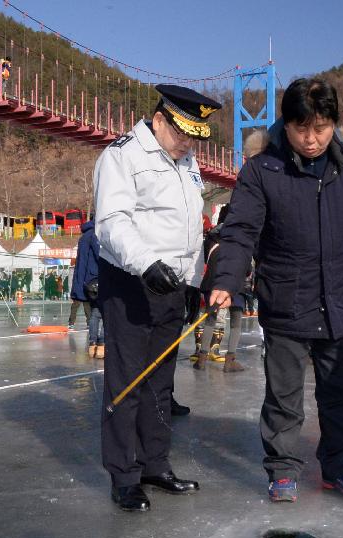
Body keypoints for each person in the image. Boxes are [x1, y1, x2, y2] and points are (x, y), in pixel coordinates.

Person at [209, 78, 343, 503]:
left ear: (334, 124)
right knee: (284, 393)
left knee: (341, 392)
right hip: (286, 298)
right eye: (301, 128)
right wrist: (226, 280)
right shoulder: (261, 169)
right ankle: (283, 469)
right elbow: (240, 232)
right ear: (285, 125)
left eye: (322, 128)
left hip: (341, 300)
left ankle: (339, 466)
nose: (312, 139)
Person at [93, 84, 221, 512]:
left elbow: (189, 232)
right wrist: (147, 263)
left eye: (195, 137)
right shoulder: (122, 156)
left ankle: (155, 464)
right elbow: (111, 222)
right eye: (182, 134)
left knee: (161, 382)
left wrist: (194, 282)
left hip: (173, 286)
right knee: (127, 381)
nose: (188, 144)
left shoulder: (187, 163)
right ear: (161, 120)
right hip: (132, 282)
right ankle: (124, 474)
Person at [194, 204, 245, 372]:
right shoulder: (239, 236)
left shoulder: (211, 237)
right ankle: (229, 361)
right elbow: (246, 266)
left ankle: (202, 358)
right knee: (236, 322)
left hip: (211, 282)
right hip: (234, 282)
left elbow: (205, 261)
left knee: (210, 320)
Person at [71, 220, 101, 358]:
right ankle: (102, 343)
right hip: (97, 278)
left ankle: (92, 342)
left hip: (86, 281)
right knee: (105, 310)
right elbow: (100, 255)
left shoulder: (84, 236)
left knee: (95, 311)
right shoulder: (95, 235)